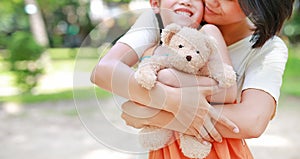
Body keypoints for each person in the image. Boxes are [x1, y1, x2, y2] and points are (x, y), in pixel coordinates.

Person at [91, 0, 295, 159]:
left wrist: (153, 113)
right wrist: (174, 100)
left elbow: (251, 121)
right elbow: (104, 71)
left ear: (257, 6)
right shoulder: (171, 15)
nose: (213, 2)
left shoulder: (267, 48)